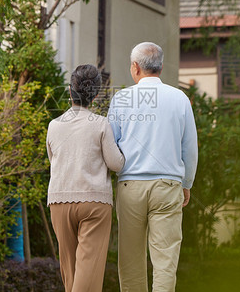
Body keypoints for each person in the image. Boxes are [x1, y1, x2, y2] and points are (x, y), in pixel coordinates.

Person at [108, 42, 198, 292]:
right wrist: (187, 183)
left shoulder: (121, 98)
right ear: (160, 67)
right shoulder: (179, 98)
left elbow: (110, 146)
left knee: (131, 260)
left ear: (135, 67)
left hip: (130, 186)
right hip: (168, 186)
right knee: (165, 260)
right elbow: (189, 147)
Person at [46, 64, 125, 292]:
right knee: (88, 269)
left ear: (70, 90)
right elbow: (115, 163)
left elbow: (54, 160)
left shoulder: (53, 125)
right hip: (94, 202)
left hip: (59, 200)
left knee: (69, 270)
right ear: (96, 95)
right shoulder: (101, 124)